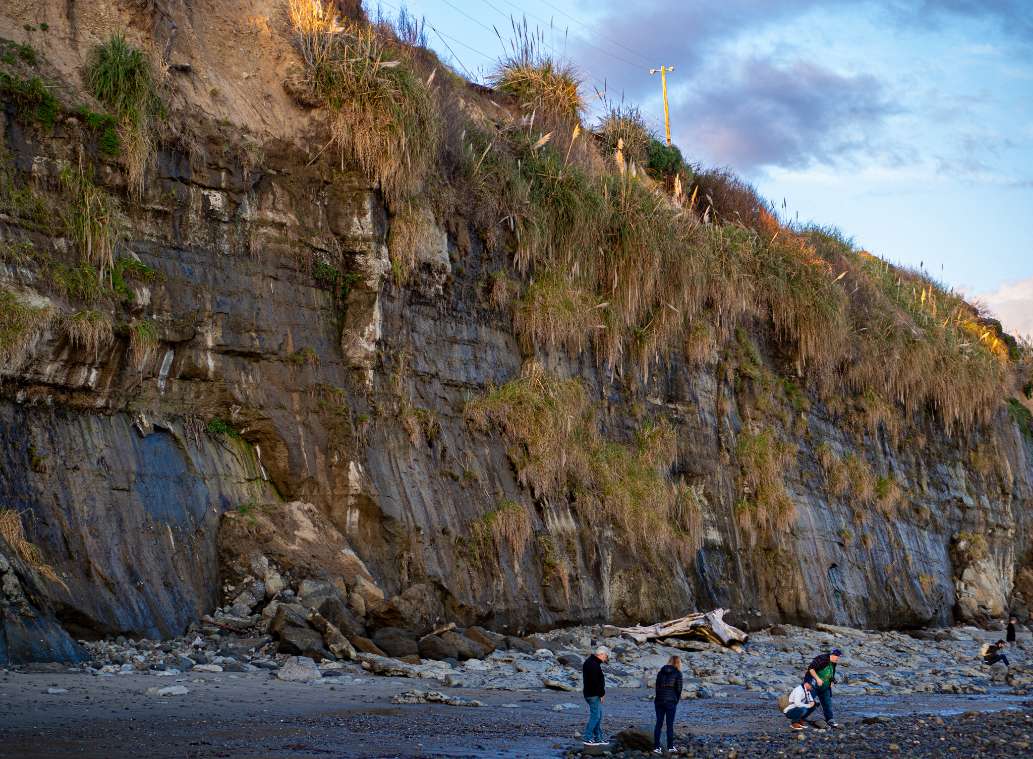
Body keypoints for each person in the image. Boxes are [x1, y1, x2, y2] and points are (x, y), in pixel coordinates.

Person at [803, 647, 841, 727]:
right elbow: (811, 669)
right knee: (809, 700)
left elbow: (831, 672)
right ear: (833, 655)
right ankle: (801, 717)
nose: (838, 658)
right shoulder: (822, 659)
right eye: (838, 657)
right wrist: (817, 679)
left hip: (825, 685)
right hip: (813, 684)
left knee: (827, 703)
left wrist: (831, 681)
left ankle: (830, 719)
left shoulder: (833, 662)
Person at [652, 655, 683, 754]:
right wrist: (675, 700)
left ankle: (656, 747)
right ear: (678, 663)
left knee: (659, 723)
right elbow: (679, 689)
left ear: (669, 661)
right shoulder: (678, 673)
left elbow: (657, 688)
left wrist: (659, 698)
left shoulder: (661, 672)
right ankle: (670, 746)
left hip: (659, 701)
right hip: (670, 702)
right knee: (670, 725)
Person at [582, 645, 609, 746]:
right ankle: (587, 737)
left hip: (592, 693)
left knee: (598, 716)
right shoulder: (593, 664)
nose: (605, 659)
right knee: (596, 716)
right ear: (601, 654)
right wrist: (601, 694)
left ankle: (598, 738)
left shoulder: (591, 662)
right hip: (593, 694)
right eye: (606, 656)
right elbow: (595, 682)